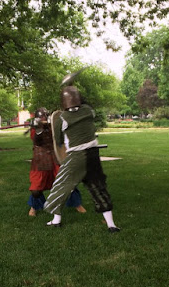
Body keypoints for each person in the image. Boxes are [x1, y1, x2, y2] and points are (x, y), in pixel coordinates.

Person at [43, 87, 120, 233]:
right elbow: (84, 107)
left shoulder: (62, 118)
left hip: (76, 157)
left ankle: (56, 220)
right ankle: (111, 225)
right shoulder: (88, 111)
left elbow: (58, 140)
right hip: (93, 155)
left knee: (62, 185)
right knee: (98, 187)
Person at [28, 107, 86, 217]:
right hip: (41, 159)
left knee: (67, 181)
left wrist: (55, 124)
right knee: (36, 189)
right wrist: (38, 129)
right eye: (41, 117)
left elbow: (63, 135)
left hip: (56, 157)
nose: (43, 118)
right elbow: (36, 141)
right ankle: (34, 207)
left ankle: (76, 204)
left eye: (45, 116)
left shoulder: (54, 125)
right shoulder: (35, 128)